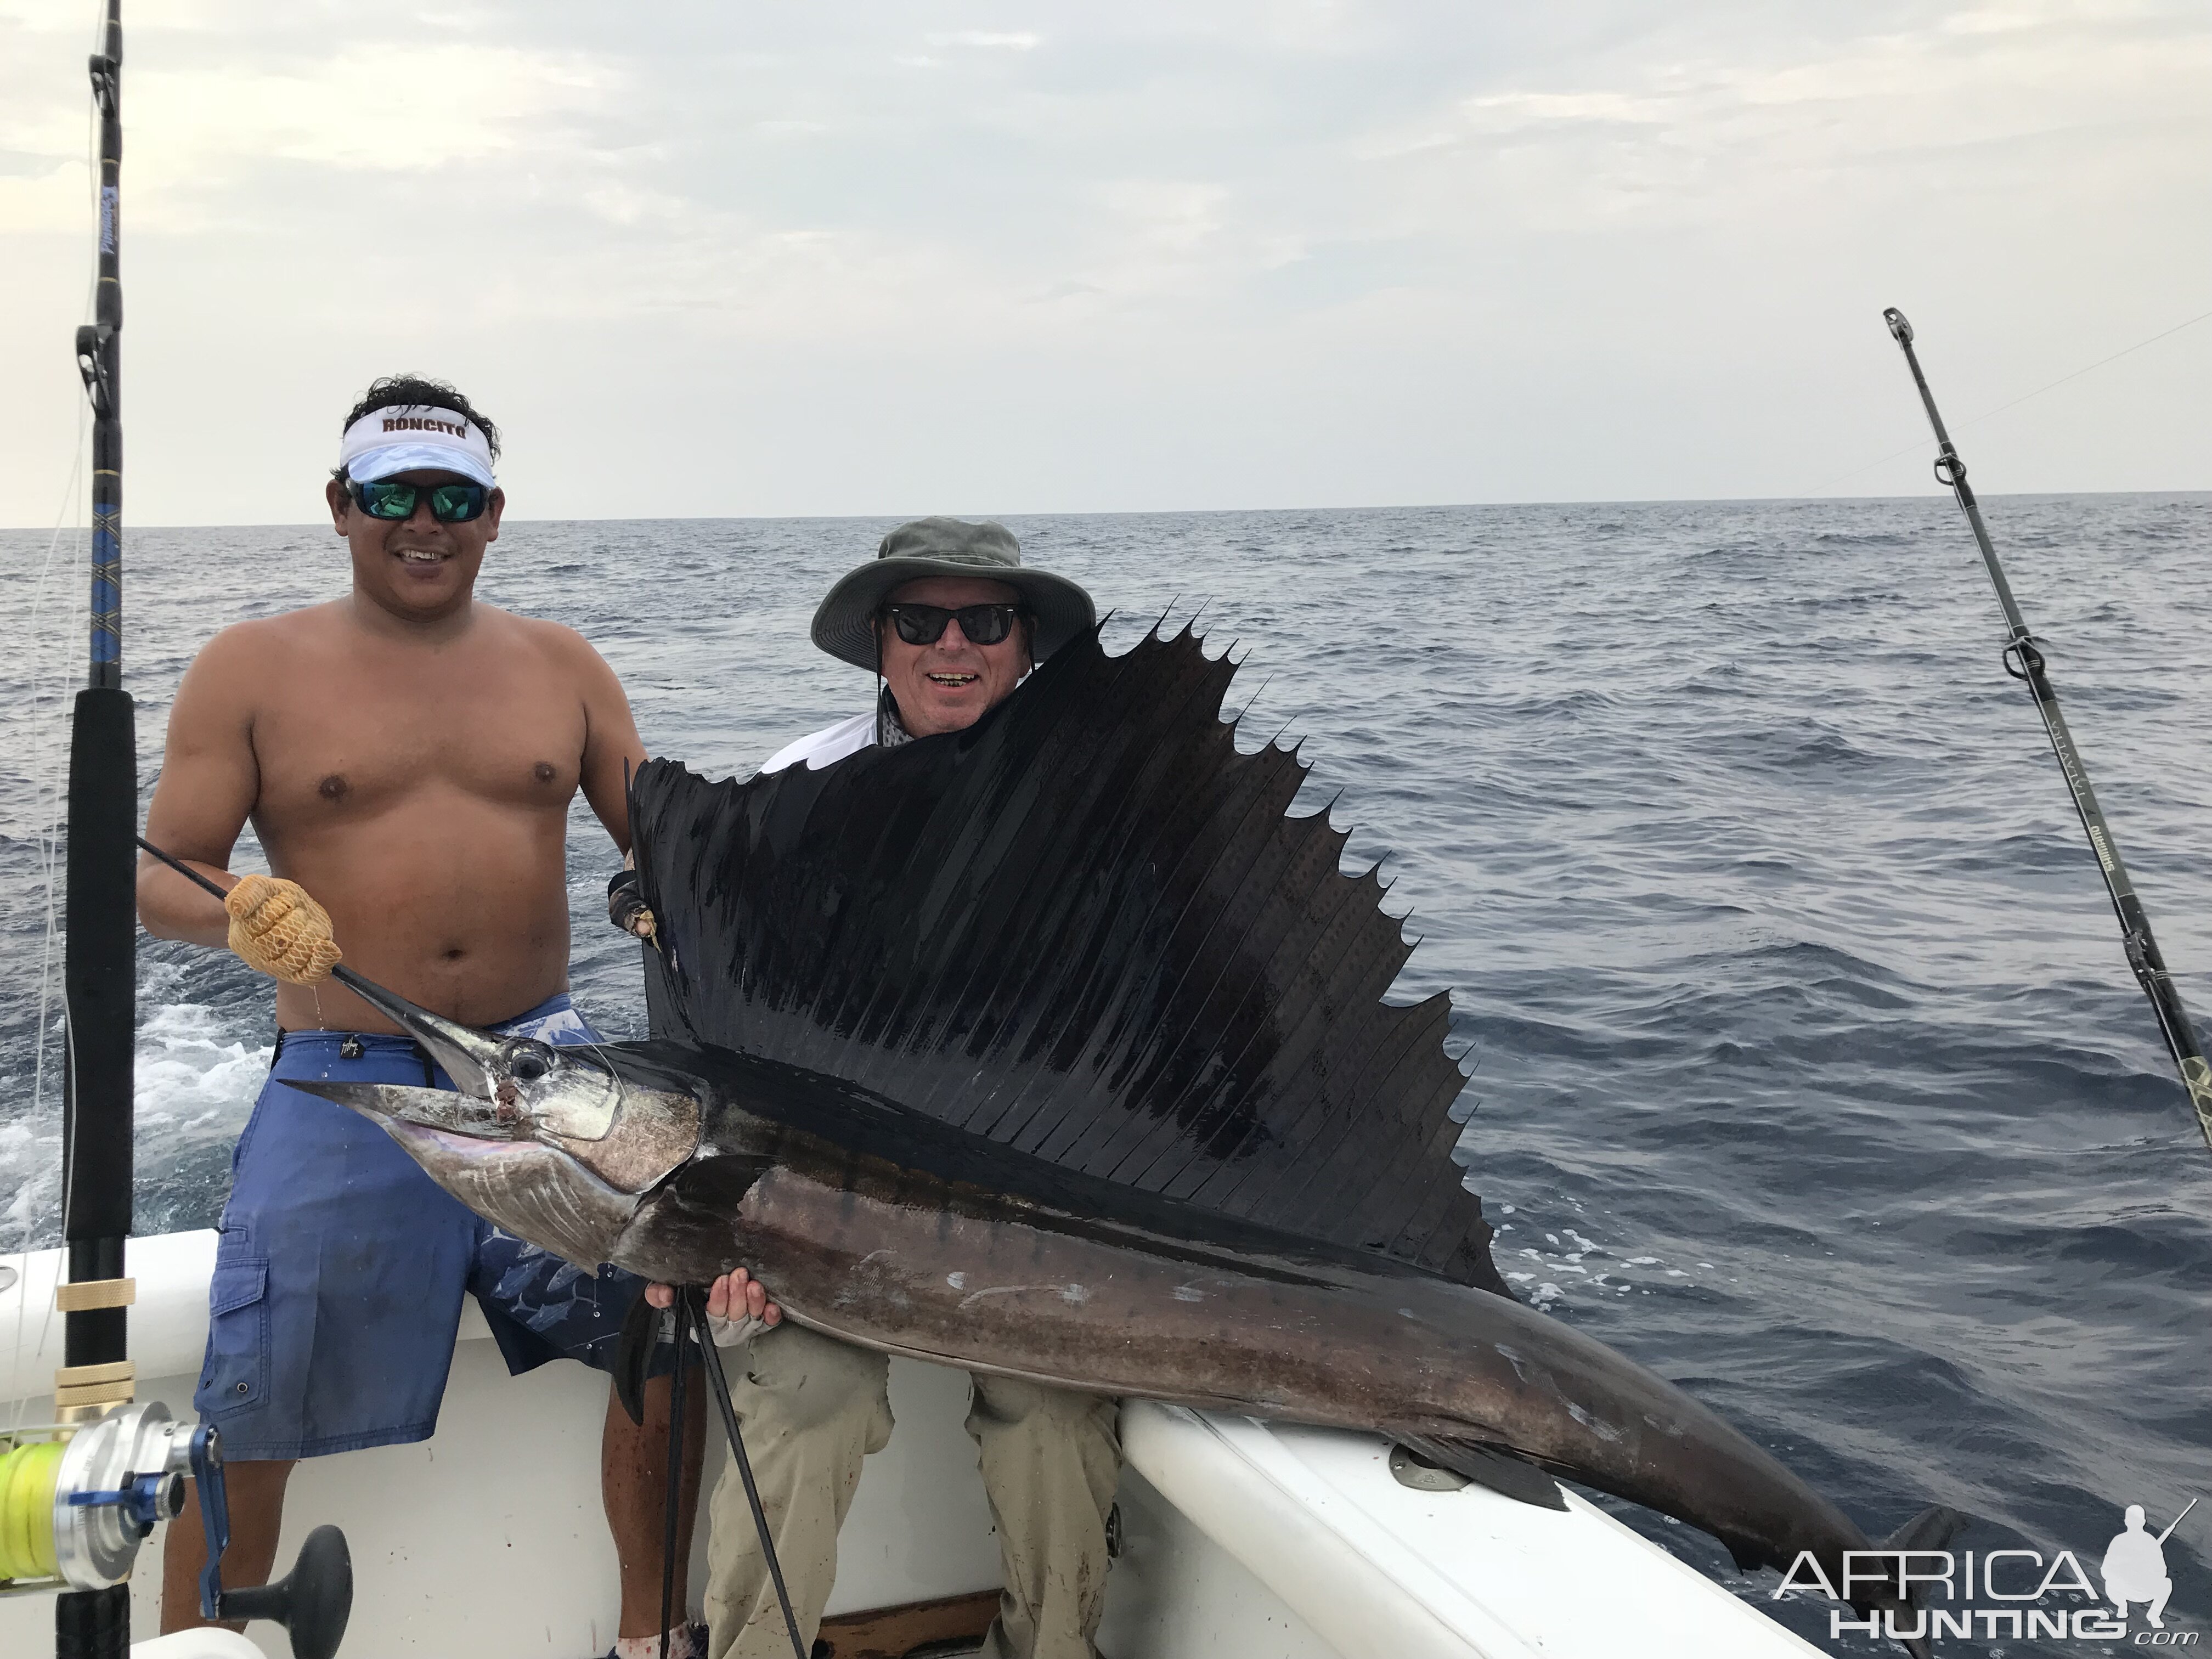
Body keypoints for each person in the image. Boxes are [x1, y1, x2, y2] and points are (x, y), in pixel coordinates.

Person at [139, 376, 707, 1659]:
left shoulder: (562, 665)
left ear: (493, 514)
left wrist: (686, 908)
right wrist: (237, 907)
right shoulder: (253, 666)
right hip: (346, 1069)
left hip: (544, 1063)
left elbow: (669, 856)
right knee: (254, 1405)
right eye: (392, 494)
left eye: (451, 496)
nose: (422, 521)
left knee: (666, 1328)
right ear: (342, 505)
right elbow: (157, 870)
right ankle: (194, 1651)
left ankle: (651, 1637)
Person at [624, 518, 1120, 1659]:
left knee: (1053, 1418)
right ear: (880, 644)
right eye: (921, 621)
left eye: (984, 623)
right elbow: (719, 1043)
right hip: (823, 1212)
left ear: (1024, 646)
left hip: (1044, 1215)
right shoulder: (798, 791)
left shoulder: (1093, 813)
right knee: (806, 1400)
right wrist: (700, 1243)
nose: (954, 645)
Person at [2101, 1504, 2174, 1628]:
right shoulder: (2120, 1541)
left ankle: (2151, 1614)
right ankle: (2123, 1607)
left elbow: (2162, 1571)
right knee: (2167, 1584)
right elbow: (2106, 1570)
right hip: (2125, 1591)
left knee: (2166, 1583)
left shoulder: (2149, 1542)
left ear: (2126, 1522)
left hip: (2137, 1591)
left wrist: (2145, 1570)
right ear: (2144, 1522)